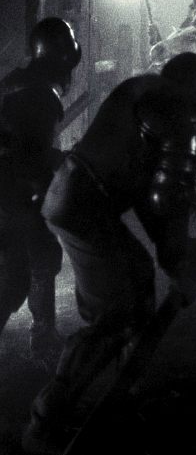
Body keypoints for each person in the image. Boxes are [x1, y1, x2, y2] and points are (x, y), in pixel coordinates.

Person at [22, 52, 196, 454]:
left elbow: (147, 194)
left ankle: (122, 395)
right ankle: (46, 420)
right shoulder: (177, 112)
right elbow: (166, 200)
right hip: (85, 206)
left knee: (138, 284)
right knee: (118, 312)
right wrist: (178, 260)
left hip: (77, 198)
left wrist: (171, 259)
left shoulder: (143, 89)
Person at [0, 18, 81, 363]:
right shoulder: (41, 95)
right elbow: (30, 155)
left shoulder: (16, 81)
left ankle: (43, 333)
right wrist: (64, 161)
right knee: (30, 265)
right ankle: (43, 336)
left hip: (8, 184)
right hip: (13, 189)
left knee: (25, 262)